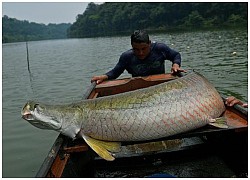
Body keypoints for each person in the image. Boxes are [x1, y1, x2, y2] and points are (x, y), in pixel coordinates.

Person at [91, 30, 185, 84]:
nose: (140, 53)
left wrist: (176, 65)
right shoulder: (127, 57)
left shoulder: (160, 48)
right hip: (140, 86)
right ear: (132, 46)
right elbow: (115, 72)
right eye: (136, 49)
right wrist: (104, 76)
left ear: (149, 43)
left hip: (160, 83)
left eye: (144, 48)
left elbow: (175, 55)